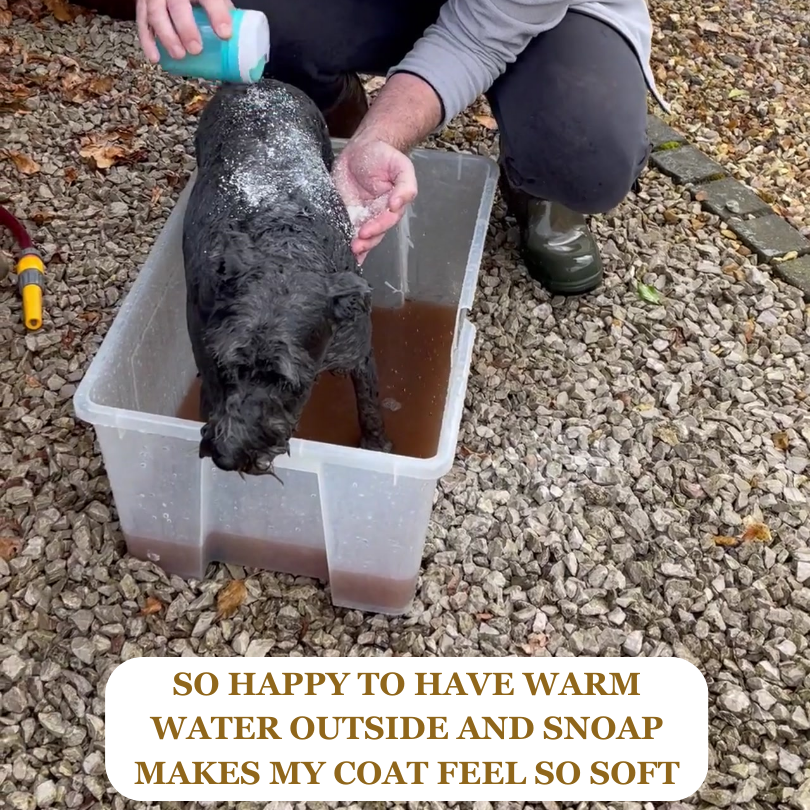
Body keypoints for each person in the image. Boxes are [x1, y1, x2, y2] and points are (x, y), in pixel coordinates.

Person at [136, 0, 666, 295]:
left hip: (546, 15)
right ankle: (332, 126)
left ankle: (540, 185)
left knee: (584, 152)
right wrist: (362, 142)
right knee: (252, 17)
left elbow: (476, 35)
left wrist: (386, 134)